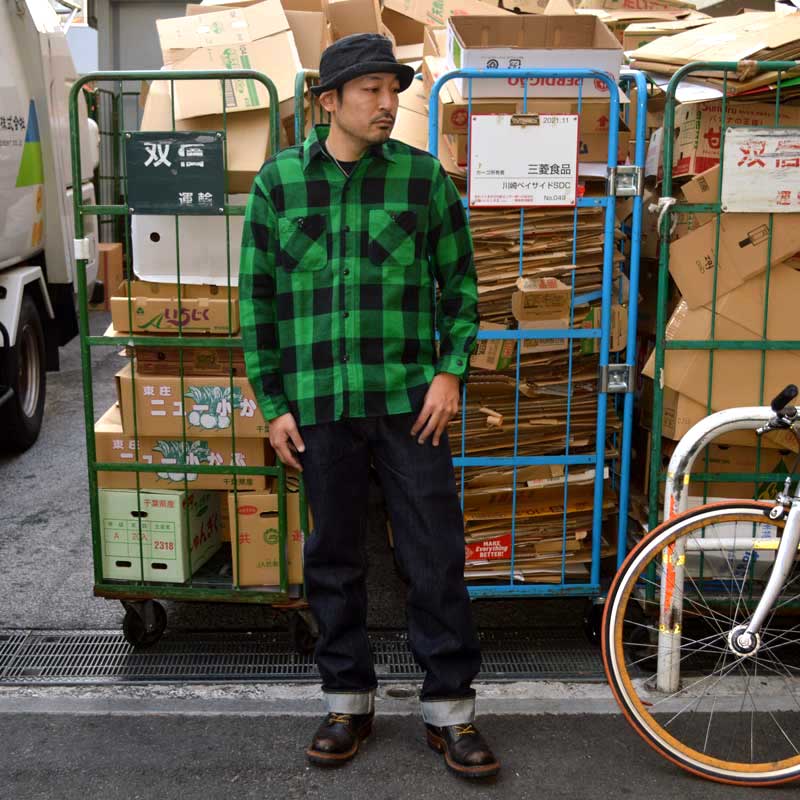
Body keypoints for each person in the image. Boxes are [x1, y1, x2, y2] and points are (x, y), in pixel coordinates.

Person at [239, 33, 499, 779]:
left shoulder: (422, 179)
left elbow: (462, 286)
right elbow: (256, 302)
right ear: (330, 102)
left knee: (434, 554)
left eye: (393, 89)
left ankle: (450, 710)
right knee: (333, 557)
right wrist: (274, 403)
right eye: (371, 91)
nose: (388, 104)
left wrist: (450, 374)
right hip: (319, 404)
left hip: (411, 403)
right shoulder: (279, 183)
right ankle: (345, 702)